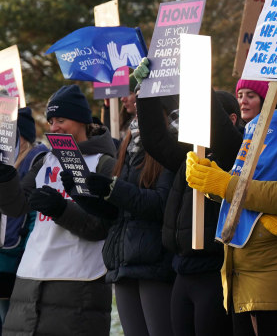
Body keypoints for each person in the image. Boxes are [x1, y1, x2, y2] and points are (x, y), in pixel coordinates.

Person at [186, 85, 277, 335]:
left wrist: (225, 184)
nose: (270, 80)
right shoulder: (260, 125)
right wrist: (212, 180)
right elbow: (249, 186)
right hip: (246, 281)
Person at [132, 58, 243, 336]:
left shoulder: (235, 154)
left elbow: (221, 132)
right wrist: (146, 94)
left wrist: (199, 83)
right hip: (182, 270)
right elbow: (155, 140)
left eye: (201, 111)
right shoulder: (188, 156)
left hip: (213, 272)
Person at [0, 85, 115, 336]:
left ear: (82, 121)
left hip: (77, 280)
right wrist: (5, 179)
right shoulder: (44, 160)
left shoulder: (105, 163)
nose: (54, 128)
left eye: (61, 120)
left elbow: (100, 226)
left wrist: (61, 209)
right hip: (30, 279)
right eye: (51, 121)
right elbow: (16, 207)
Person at [61, 90, 176, 336]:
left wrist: (114, 188)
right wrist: (80, 192)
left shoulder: (172, 144)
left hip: (153, 261)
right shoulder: (129, 141)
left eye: (135, 93)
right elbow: (113, 213)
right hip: (123, 260)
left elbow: (159, 204)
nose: (125, 98)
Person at [0, 108, 48, 334]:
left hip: (15, 257)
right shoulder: (4, 160)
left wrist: (27, 253)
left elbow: (33, 215)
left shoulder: (35, 158)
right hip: (4, 255)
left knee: (13, 321)